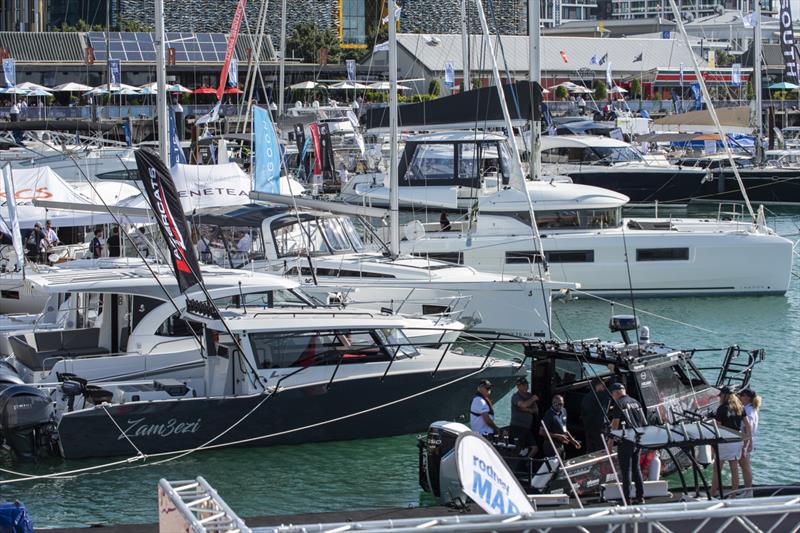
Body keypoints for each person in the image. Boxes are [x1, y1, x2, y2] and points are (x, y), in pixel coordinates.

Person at [607, 382, 647, 504]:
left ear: (617, 393)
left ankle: (627, 499)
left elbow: (615, 425)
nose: (612, 397)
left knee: (626, 471)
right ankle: (640, 496)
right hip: (637, 440)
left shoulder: (619, 404)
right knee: (636, 469)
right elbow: (643, 422)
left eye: (612, 395)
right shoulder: (636, 402)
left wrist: (609, 444)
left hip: (625, 441)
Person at [710, 386, 751, 498]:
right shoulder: (740, 407)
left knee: (717, 470)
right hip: (736, 440)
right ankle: (733, 496)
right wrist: (747, 442)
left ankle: (712, 494)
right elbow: (747, 425)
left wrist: (713, 447)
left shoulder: (721, 409)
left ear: (723, 396)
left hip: (724, 440)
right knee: (734, 469)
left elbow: (717, 428)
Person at [737, 389, 760, 496]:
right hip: (749, 441)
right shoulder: (752, 409)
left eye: (741, 395)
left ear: (747, 397)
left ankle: (748, 491)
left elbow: (747, 427)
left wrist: (746, 444)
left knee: (745, 467)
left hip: (745, 441)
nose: (739, 397)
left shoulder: (748, 410)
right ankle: (747, 490)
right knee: (745, 466)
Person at [509, 377, 539, 455]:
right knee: (517, 449)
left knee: (535, 448)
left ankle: (527, 462)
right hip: (517, 427)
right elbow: (523, 404)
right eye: (523, 385)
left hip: (527, 428)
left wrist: (526, 409)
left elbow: (536, 410)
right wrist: (532, 399)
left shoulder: (529, 395)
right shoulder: (515, 397)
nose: (526, 386)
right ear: (518, 387)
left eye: (526, 384)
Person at [581, 377, 610, 452]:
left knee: (591, 450)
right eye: (603, 385)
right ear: (598, 386)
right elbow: (611, 390)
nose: (604, 387)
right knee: (602, 451)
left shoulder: (585, 398)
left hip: (589, 429)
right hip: (600, 429)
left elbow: (583, 414)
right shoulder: (602, 396)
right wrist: (613, 373)